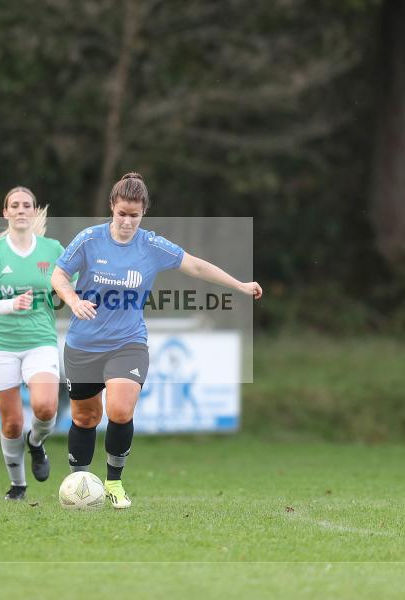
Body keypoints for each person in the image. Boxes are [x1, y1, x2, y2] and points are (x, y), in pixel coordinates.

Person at [50, 172, 262, 509]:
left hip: (128, 342)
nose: (127, 222)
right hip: (84, 343)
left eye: (134, 216)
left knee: (119, 409)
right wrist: (73, 300)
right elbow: (59, 274)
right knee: (85, 418)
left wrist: (239, 285)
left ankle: (114, 484)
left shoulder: (151, 245)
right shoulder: (89, 240)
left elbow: (195, 266)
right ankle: (78, 485)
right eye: (122, 213)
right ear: (112, 208)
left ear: (144, 213)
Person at [0, 186, 66, 501]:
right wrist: (10, 305)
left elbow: (68, 287)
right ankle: (18, 485)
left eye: (27, 205)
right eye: (15, 205)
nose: (21, 209)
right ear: (6, 212)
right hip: (0, 343)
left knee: (45, 407)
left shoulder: (52, 249)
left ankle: (37, 443)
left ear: (33, 210)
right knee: (12, 423)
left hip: (40, 340)